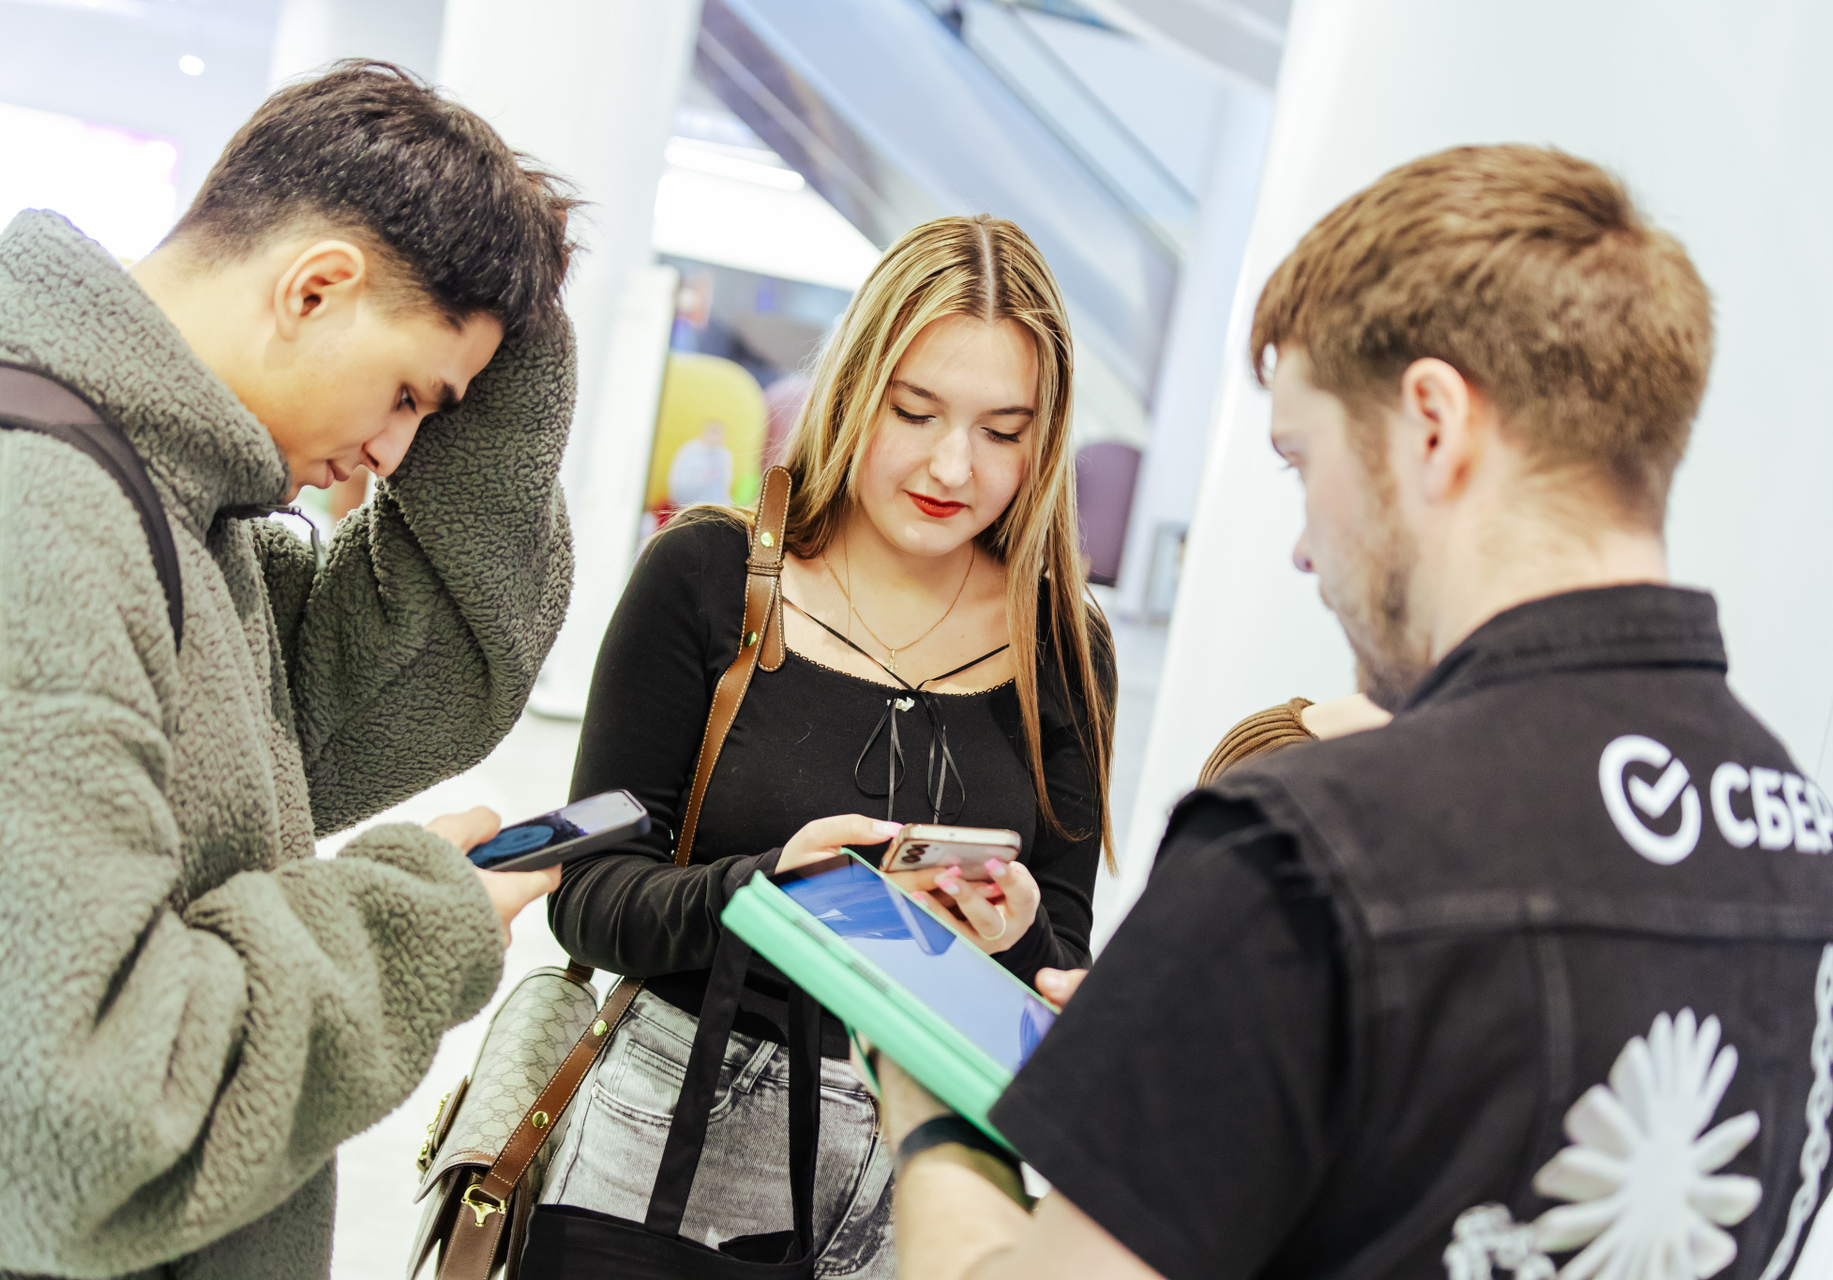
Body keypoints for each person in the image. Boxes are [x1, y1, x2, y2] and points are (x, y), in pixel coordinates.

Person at [870, 144, 1833, 1280]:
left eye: (1302, 459)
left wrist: (931, 1108)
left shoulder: (1305, 849)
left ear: (1433, 424)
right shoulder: (1795, 837)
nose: (1302, 545)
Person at [0, 63, 576, 1280]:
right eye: (407, 395)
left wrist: (517, 297)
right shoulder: (24, 522)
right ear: (314, 287)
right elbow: (54, 1121)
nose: (394, 452)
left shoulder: (172, 512)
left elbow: (426, 665)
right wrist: (410, 921)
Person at [542, 214, 1116, 1276]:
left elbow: (1058, 966)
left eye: (1004, 431)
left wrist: (1018, 933)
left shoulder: (1064, 649)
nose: (954, 464)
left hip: (925, 1161)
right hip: (671, 1135)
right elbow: (587, 891)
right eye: (915, 411)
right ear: (853, 387)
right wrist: (771, 890)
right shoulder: (707, 575)